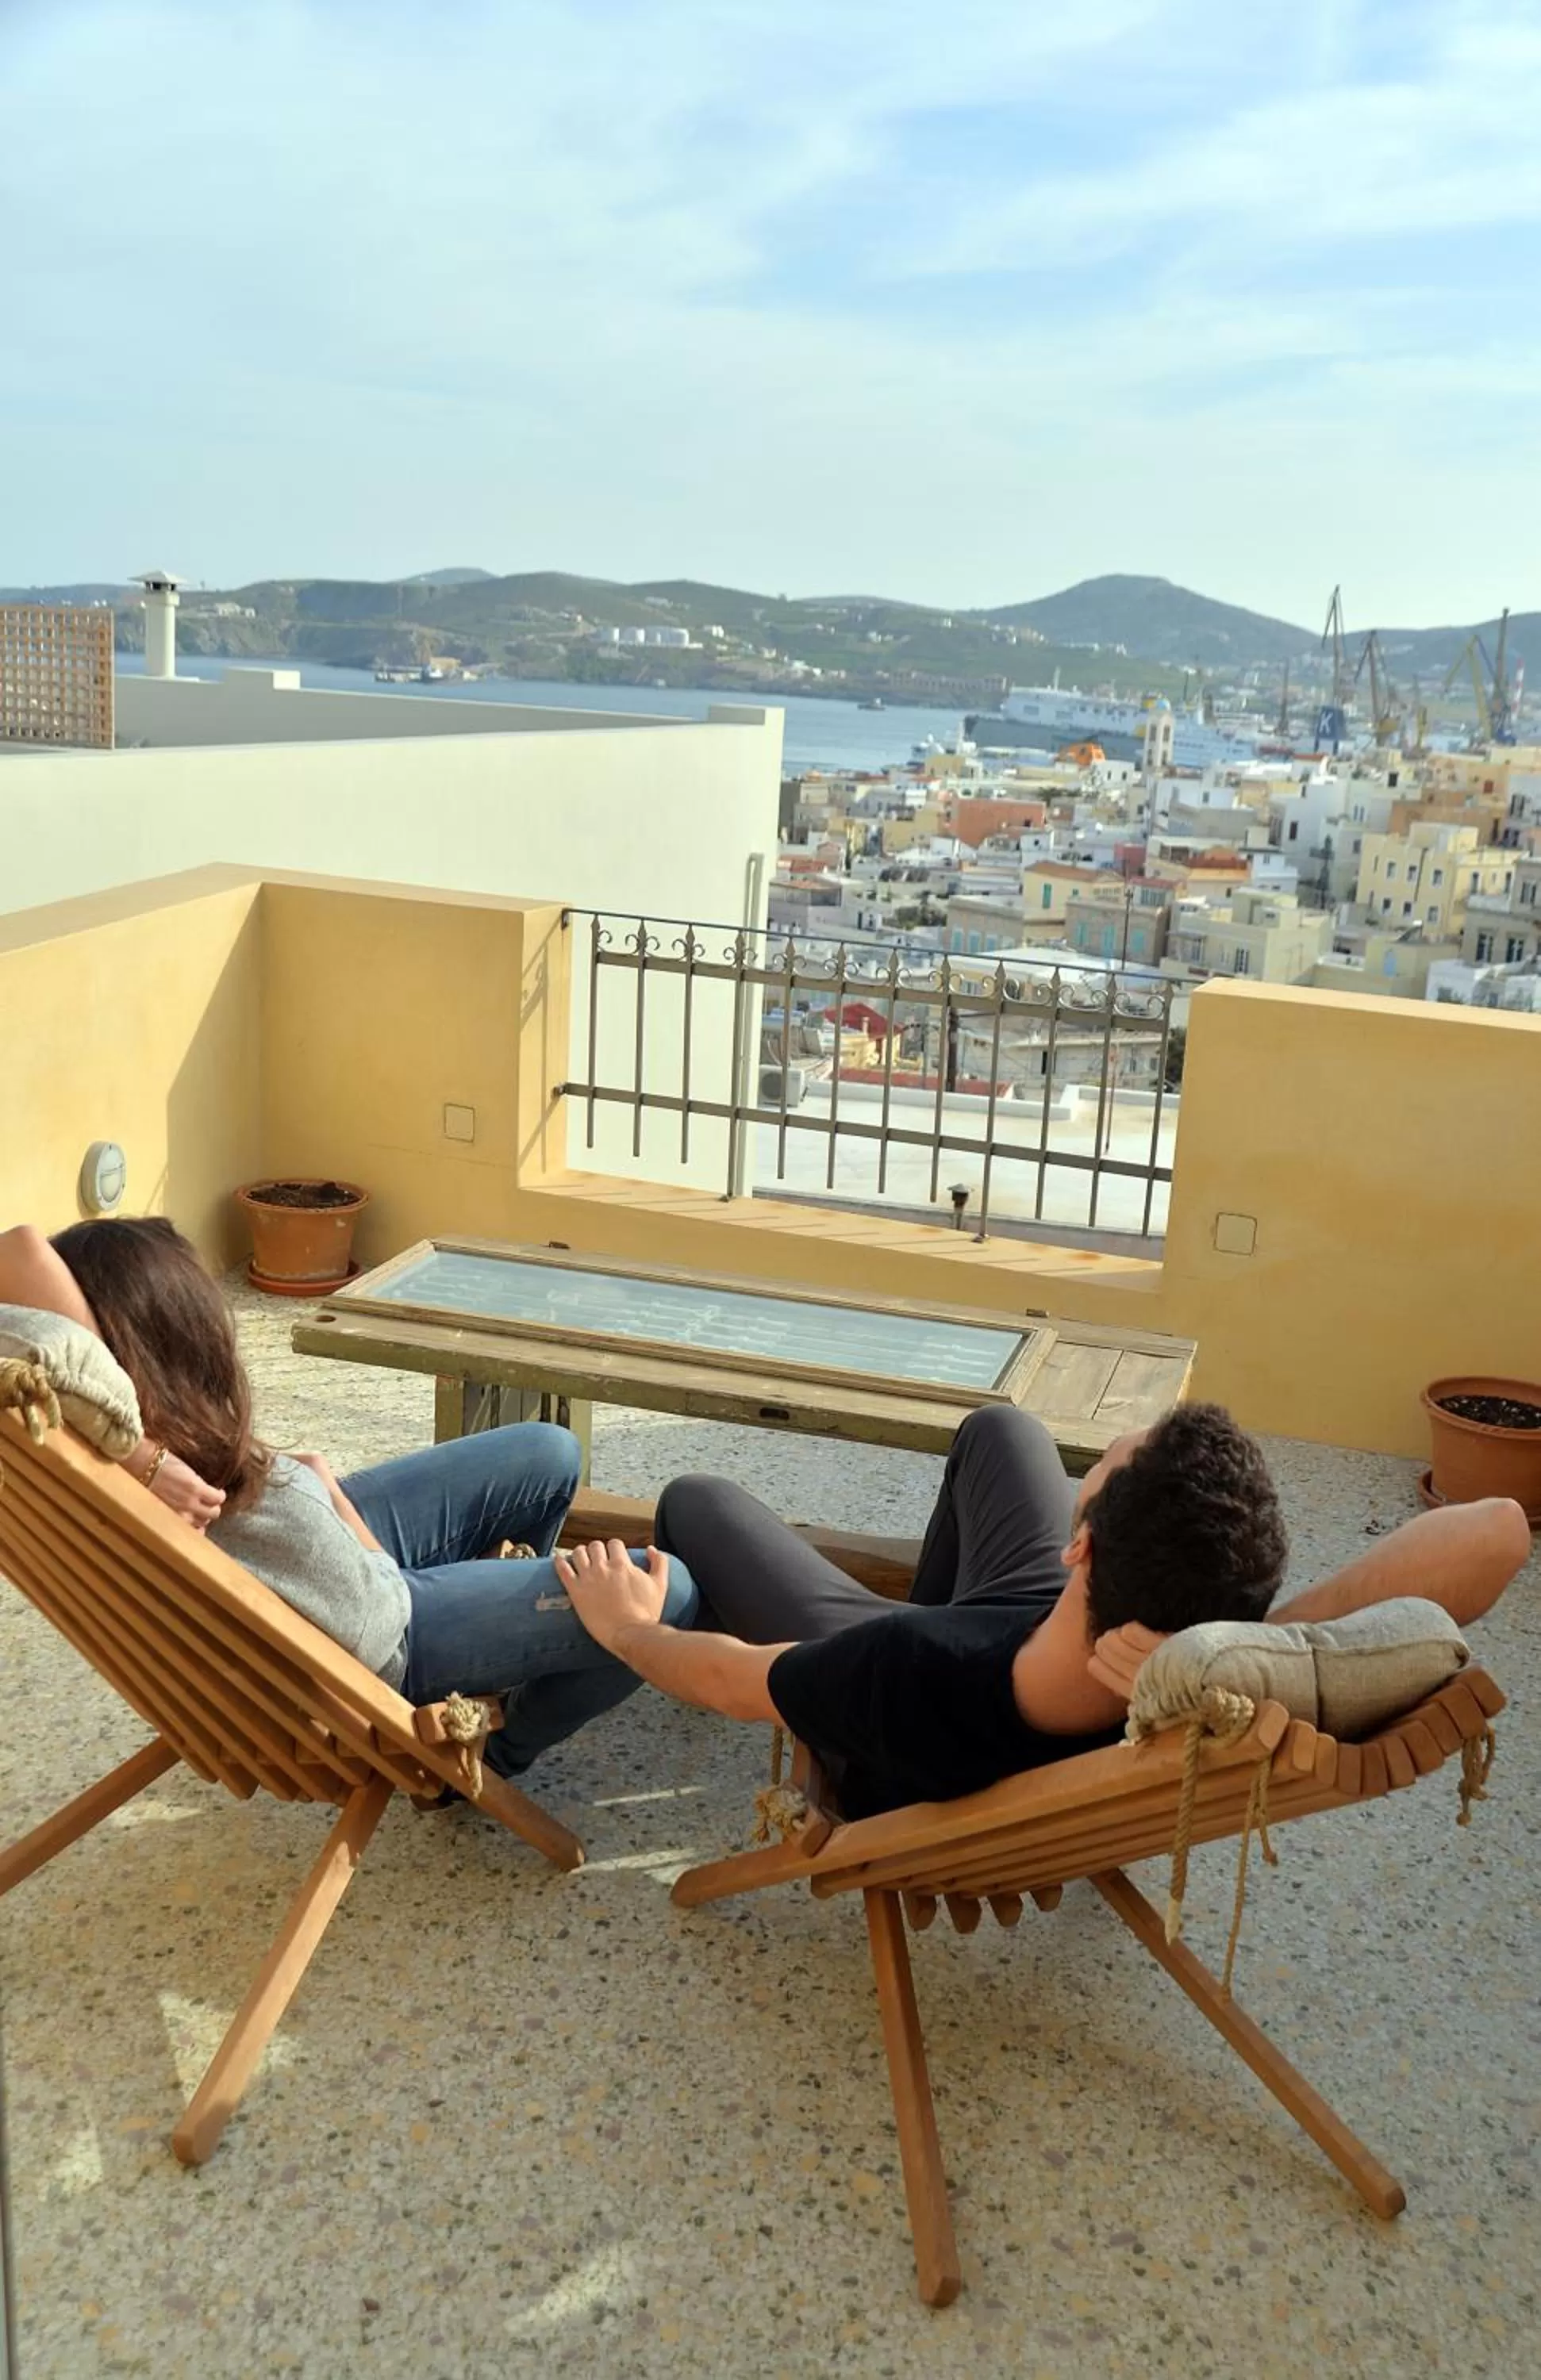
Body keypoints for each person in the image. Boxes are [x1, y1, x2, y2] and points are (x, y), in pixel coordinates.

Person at [555, 1403, 1529, 1820]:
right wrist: (1252, 1642)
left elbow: (725, 1681)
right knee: (1002, 1431)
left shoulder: (900, 1670)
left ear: (1082, 1547)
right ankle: (957, 1582)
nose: (1098, 1453)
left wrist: (627, 1625)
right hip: (1052, 1645)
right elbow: (1493, 1531)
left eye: (1102, 1466)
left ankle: (898, 1613)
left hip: (945, 1678)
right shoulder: (1222, 1668)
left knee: (694, 1499)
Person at [0, 1217, 695, 1781]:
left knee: (550, 1452)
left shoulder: (105, 1429)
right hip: (384, 1623)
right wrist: (337, 1509)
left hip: (312, 1555)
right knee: (668, 1591)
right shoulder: (151, 1463)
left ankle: (515, 1630)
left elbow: (20, 1261)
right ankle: (503, 1748)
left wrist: (149, 1457)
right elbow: (378, 1614)